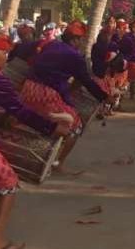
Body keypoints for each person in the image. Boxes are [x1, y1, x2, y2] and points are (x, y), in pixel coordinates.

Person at [0, 32, 71, 249]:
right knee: (8, 182)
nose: (6, 58)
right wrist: (51, 128)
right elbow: (19, 111)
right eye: (4, 53)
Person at [19, 21, 110, 170]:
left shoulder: (50, 44)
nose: (81, 43)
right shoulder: (75, 56)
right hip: (46, 95)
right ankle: (58, 163)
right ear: (75, 40)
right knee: (76, 126)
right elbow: (86, 81)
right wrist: (104, 97)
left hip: (27, 89)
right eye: (81, 40)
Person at [118, 21, 135, 101]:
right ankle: (121, 98)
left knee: (132, 80)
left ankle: (131, 95)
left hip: (133, 60)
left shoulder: (134, 37)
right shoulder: (128, 38)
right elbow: (129, 50)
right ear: (133, 29)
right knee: (126, 82)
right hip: (130, 61)